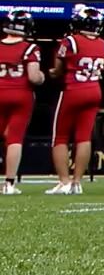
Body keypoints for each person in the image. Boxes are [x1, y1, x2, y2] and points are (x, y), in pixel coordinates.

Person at [48, 6, 104, 195]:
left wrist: (52, 73)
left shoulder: (70, 41)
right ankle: (77, 182)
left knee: (60, 137)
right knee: (83, 137)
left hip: (74, 89)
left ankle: (64, 181)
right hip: (94, 90)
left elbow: (58, 68)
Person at [0, 10, 43, 195]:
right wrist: (42, 77)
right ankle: (9, 184)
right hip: (20, 95)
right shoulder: (30, 48)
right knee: (14, 139)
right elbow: (34, 77)